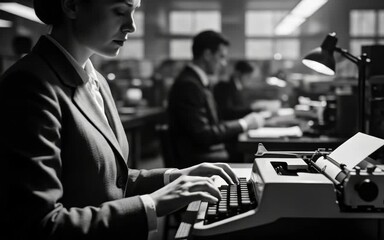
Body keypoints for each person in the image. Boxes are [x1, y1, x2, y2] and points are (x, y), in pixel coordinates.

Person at [0, 0, 238, 239]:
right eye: (120, 11)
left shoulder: (97, 81)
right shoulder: (28, 85)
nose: (131, 26)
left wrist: (174, 177)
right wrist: (151, 204)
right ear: (72, 5)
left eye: (133, 12)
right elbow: (38, 225)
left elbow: (110, 180)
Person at [167, 30, 265, 168]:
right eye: (221, 57)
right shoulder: (189, 84)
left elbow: (212, 124)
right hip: (197, 162)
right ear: (207, 55)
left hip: (204, 155)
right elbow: (203, 134)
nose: (224, 63)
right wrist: (244, 123)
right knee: (257, 161)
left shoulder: (196, 81)